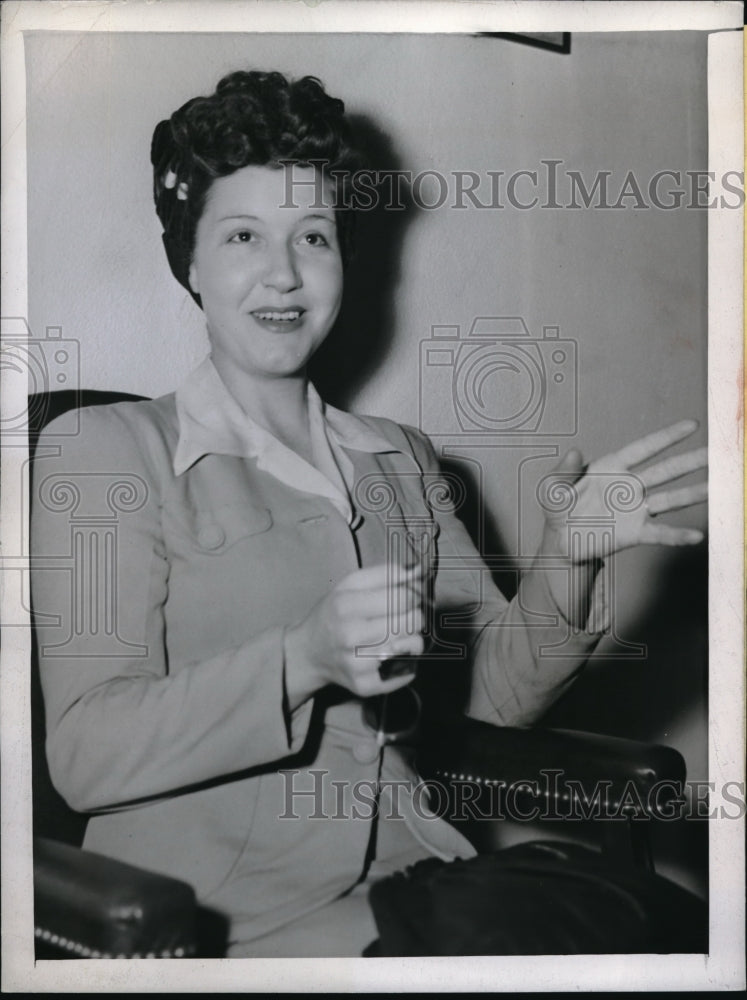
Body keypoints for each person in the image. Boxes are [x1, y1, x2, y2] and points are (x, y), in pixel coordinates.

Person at [30, 70, 708, 957]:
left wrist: (566, 560)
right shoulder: (104, 450)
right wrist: (300, 659)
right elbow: (84, 755)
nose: (283, 272)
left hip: (423, 887)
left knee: (673, 927)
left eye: (313, 235)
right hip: (228, 931)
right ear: (189, 262)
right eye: (243, 236)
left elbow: (496, 705)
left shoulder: (400, 458)